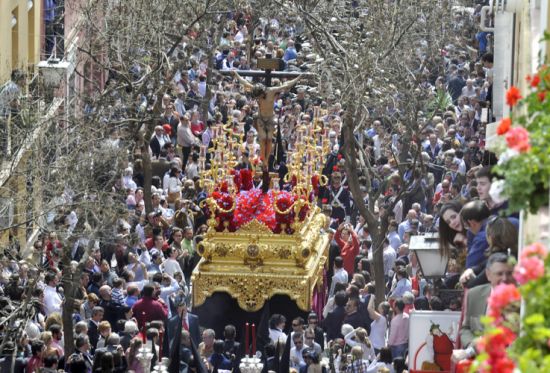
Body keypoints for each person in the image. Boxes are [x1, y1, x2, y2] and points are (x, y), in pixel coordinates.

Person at [232, 69, 303, 170]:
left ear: (263, 93)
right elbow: (245, 83)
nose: (258, 99)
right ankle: (264, 161)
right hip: (260, 118)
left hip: (270, 118)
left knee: (269, 139)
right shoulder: (257, 90)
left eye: (259, 96)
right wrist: (237, 75)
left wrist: (298, 77)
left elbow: (286, 85)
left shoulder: (271, 91)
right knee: (262, 138)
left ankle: (266, 159)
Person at [460, 200, 491, 269]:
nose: (468, 230)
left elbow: (470, 265)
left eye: (466, 226)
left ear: (472, 223)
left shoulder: (481, 238)